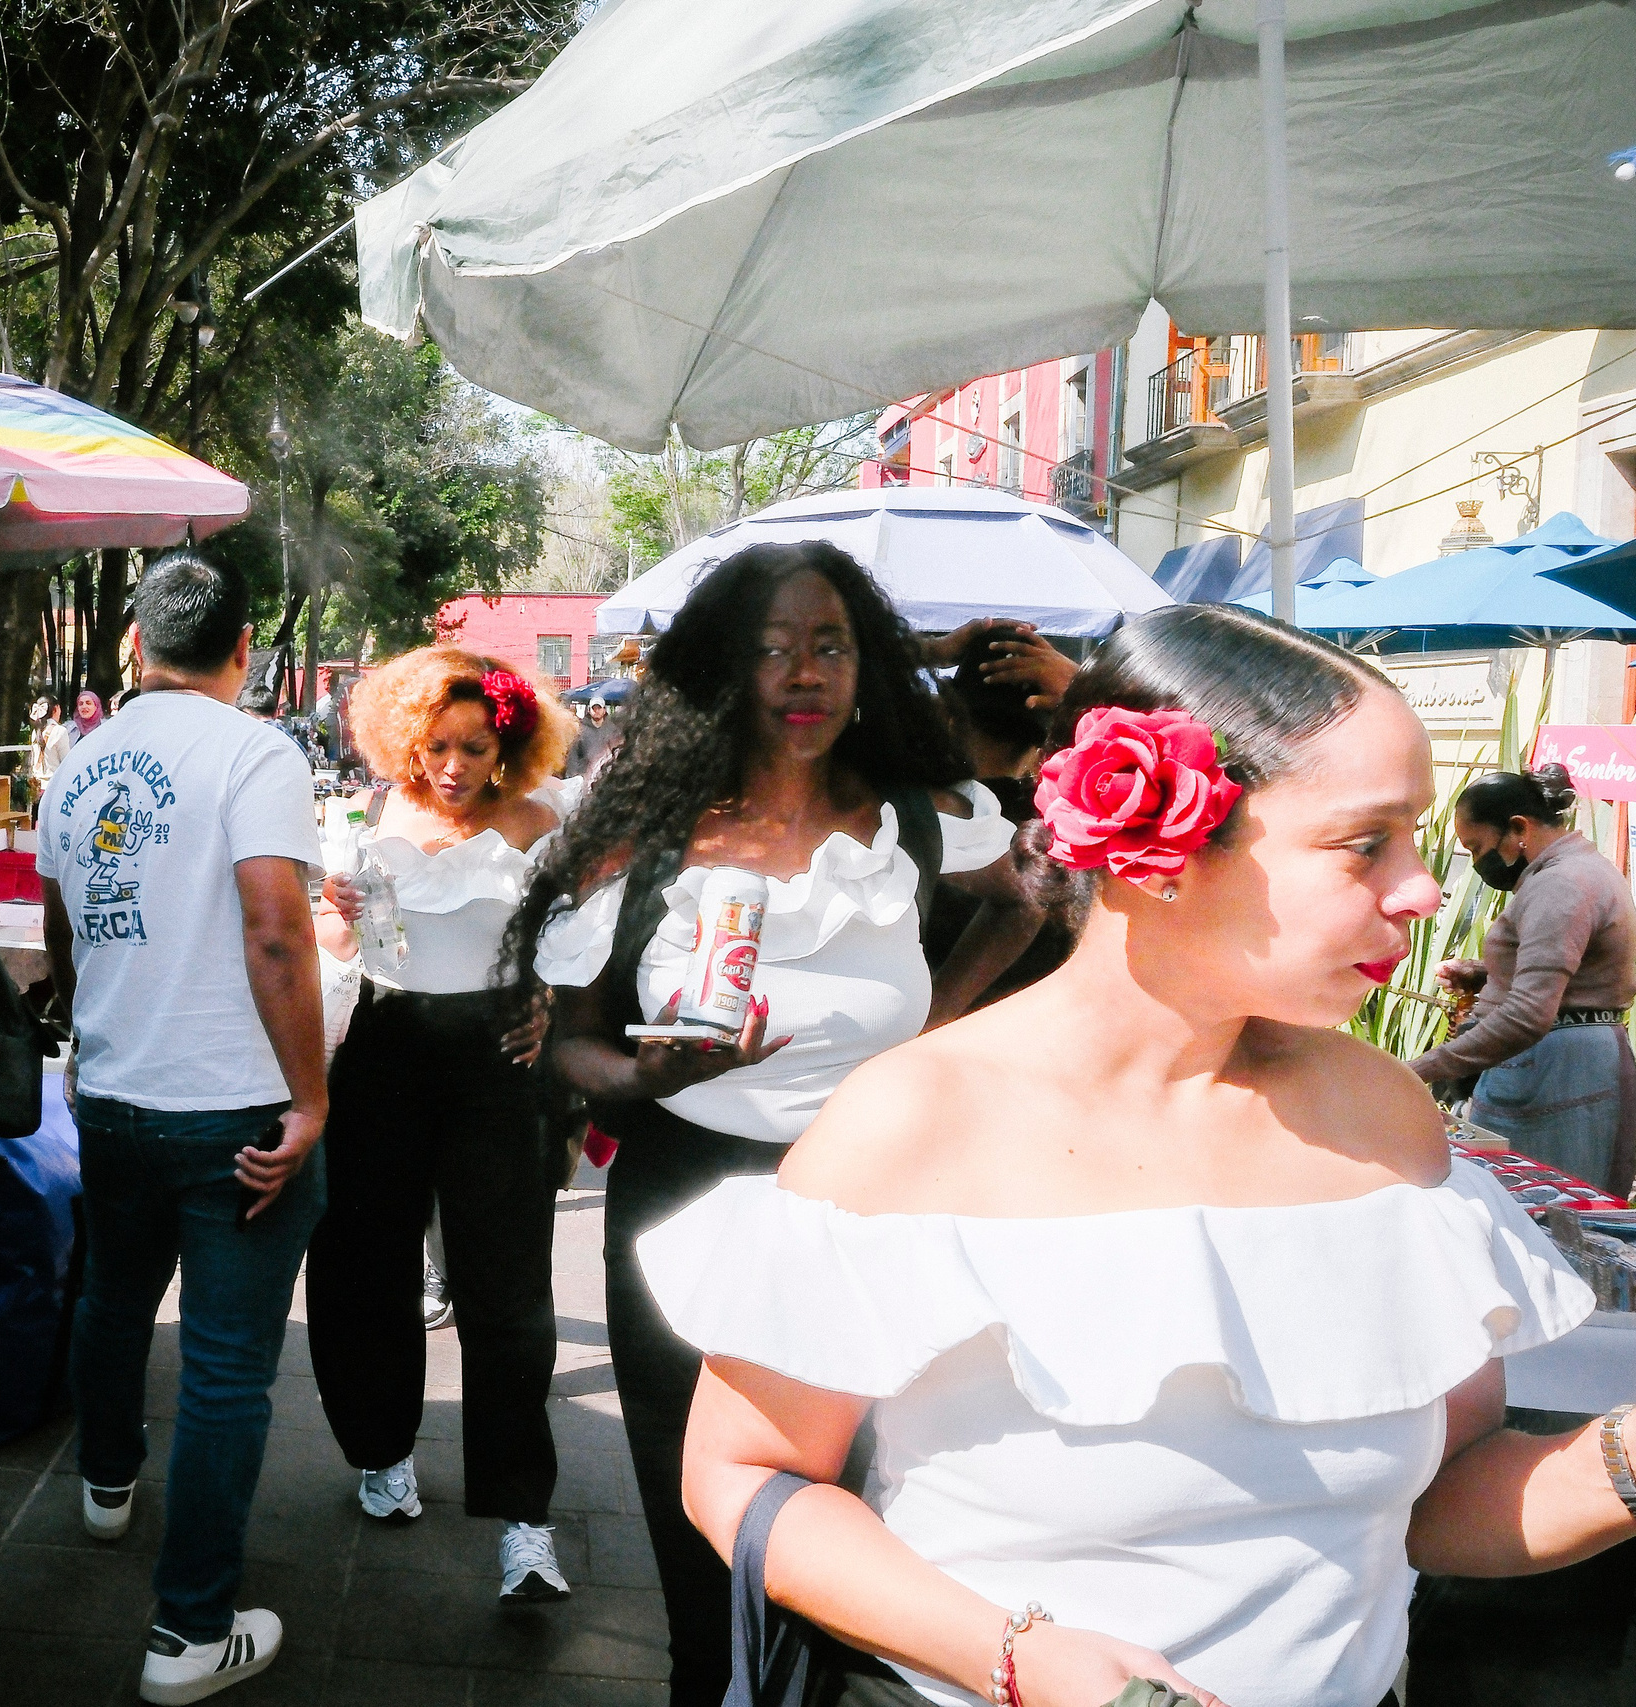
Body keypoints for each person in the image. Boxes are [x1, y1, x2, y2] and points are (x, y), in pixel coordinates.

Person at [661, 603, 1633, 1707]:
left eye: (1415, 835)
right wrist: (1017, 1656)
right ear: (1158, 849)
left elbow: (1441, 1505)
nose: (1417, 888)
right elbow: (740, 1474)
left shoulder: (1383, 1120)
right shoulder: (914, 1122)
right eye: (1365, 842)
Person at [503, 543, 1039, 1706]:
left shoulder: (919, 816)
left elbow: (1026, 897)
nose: (804, 673)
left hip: (880, 1195)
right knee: (703, 1523)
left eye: (829, 645)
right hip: (688, 1194)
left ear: (867, 667)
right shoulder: (643, 834)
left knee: (860, 1507)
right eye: (770, 649)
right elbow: (567, 1041)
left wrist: (934, 1036)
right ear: (720, 674)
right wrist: (652, 1074)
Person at [37, 552, 329, 1704]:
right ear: (245, 649)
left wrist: (92, 1023)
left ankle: (106, 1483)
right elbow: (276, 931)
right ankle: (190, 1630)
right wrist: (310, 1099)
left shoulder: (80, 763)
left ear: (133, 648)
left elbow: (66, 929)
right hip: (232, 1111)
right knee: (219, 1369)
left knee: (113, 1297)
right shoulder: (256, 751)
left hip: (112, 1094)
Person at [305, 646, 577, 1601]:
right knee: (366, 1265)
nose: (452, 766)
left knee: (505, 1291)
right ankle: (383, 1449)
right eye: (434, 746)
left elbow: (578, 942)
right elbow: (345, 943)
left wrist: (550, 1001)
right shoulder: (375, 812)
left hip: (495, 1057)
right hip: (384, 1047)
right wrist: (333, 913)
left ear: (509, 745)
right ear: (405, 742)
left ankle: (524, 1519)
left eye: (474, 746)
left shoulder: (544, 821)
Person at [1413, 764, 1636, 1193]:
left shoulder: (1560, 885)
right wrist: (1486, 974)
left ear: (1518, 829)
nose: (1478, 863)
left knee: (1548, 1225)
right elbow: (1577, 973)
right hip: (1564, 1064)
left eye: (1477, 848)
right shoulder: (1579, 870)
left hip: (1556, 1071)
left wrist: (1421, 1067)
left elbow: (1529, 1015)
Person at [922, 619, 1082, 1009]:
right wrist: (1088, 689)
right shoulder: (1082, 826)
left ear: (947, 711)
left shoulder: (902, 812)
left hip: (916, 1041)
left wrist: (928, 651)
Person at [27, 692, 72, 810]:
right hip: (54, 786)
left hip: (36, 785)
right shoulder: (59, 731)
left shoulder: (36, 731)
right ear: (56, 709)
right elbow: (66, 762)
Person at [564, 693, 624, 781]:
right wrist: (572, 777)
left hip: (607, 779)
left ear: (604, 710)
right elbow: (573, 756)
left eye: (599, 708)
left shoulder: (613, 729)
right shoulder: (580, 730)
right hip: (585, 778)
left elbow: (619, 753)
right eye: (594, 708)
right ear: (589, 710)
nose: (596, 711)